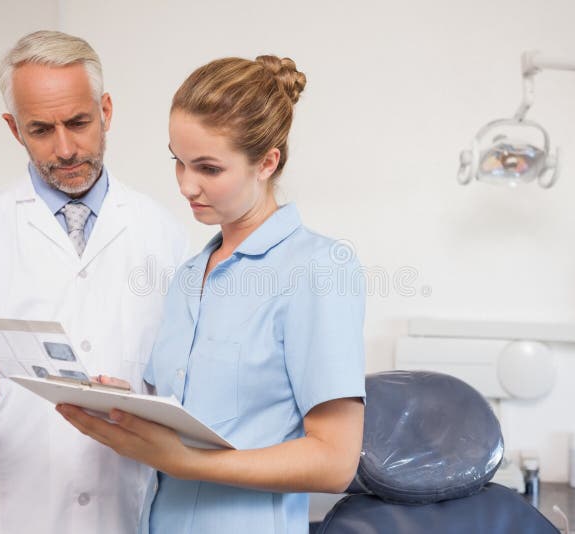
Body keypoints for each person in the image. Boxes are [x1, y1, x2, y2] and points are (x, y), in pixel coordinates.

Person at [0, 30, 186, 533]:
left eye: (79, 122)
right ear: (13, 129)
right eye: (41, 130)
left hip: (118, 516)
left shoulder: (167, 237)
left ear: (106, 111)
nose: (66, 149)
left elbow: (186, 392)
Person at [58, 55, 366, 533]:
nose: (186, 185)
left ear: (267, 162)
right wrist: (128, 405)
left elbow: (334, 461)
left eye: (208, 168)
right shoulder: (187, 274)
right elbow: (188, 419)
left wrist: (185, 462)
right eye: (177, 162)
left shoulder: (319, 269)